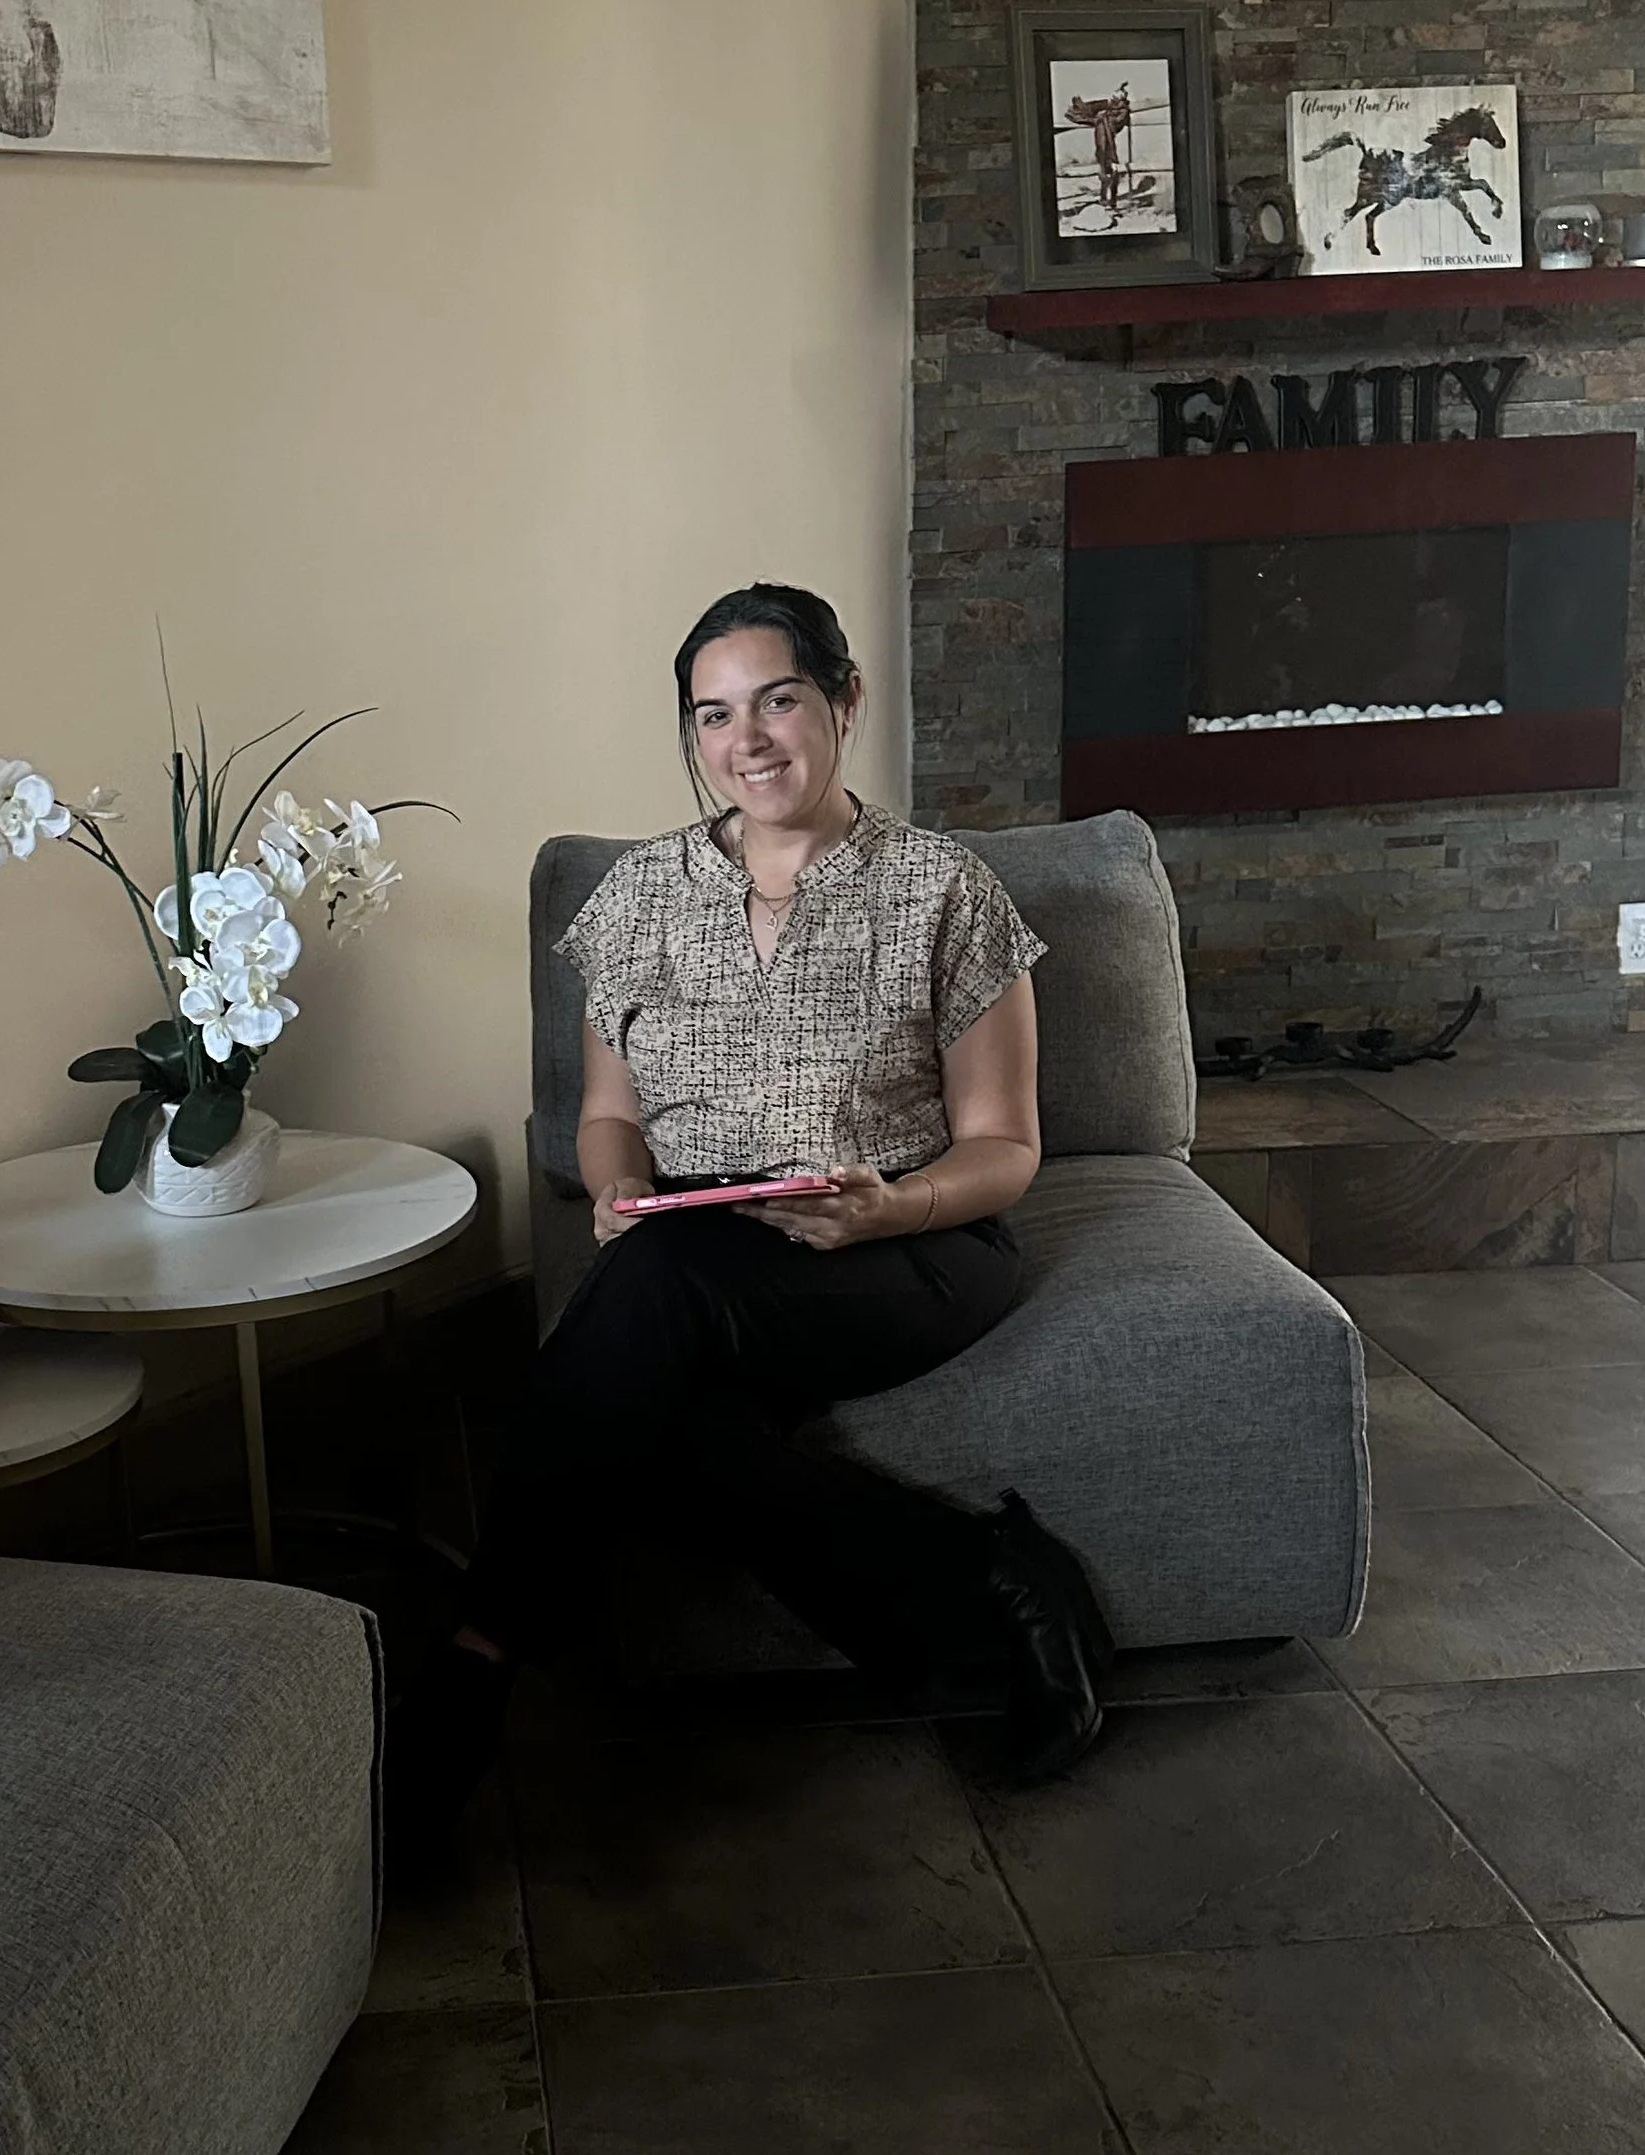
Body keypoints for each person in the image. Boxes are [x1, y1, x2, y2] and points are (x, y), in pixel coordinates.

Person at [393, 581, 1112, 1856]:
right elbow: (606, 1117)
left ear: (842, 701)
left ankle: (477, 1648)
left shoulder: (945, 889)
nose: (749, 739)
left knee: (650, 1300)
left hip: (917, 1241)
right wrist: (615, 1185)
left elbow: (1005, 1151)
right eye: (713, 713)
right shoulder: (636, 897)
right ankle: (992, 1582)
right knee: (658, 1379)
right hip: (707, 1240)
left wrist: (892, 1206)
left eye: (778, 699)